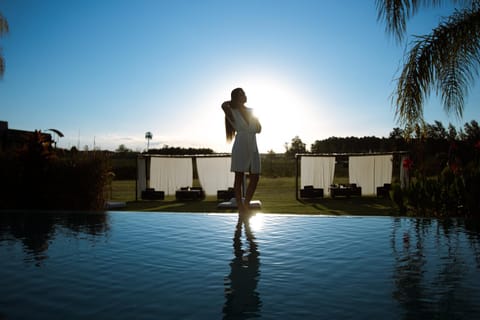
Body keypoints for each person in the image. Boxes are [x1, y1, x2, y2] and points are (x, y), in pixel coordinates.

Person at [222, 88, 261, 216]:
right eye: (241, 94)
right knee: (238, 176)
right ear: (236, 97)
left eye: (244, 93)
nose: (245, 95)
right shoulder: (232, 111)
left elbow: (259, 129)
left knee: (255, 175)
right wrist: (235, 102)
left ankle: (246, 203)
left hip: (253, 145)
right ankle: (240, 206)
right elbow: (223, 105)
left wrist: (255, 121)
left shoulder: (251, 111)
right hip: (240, 144)